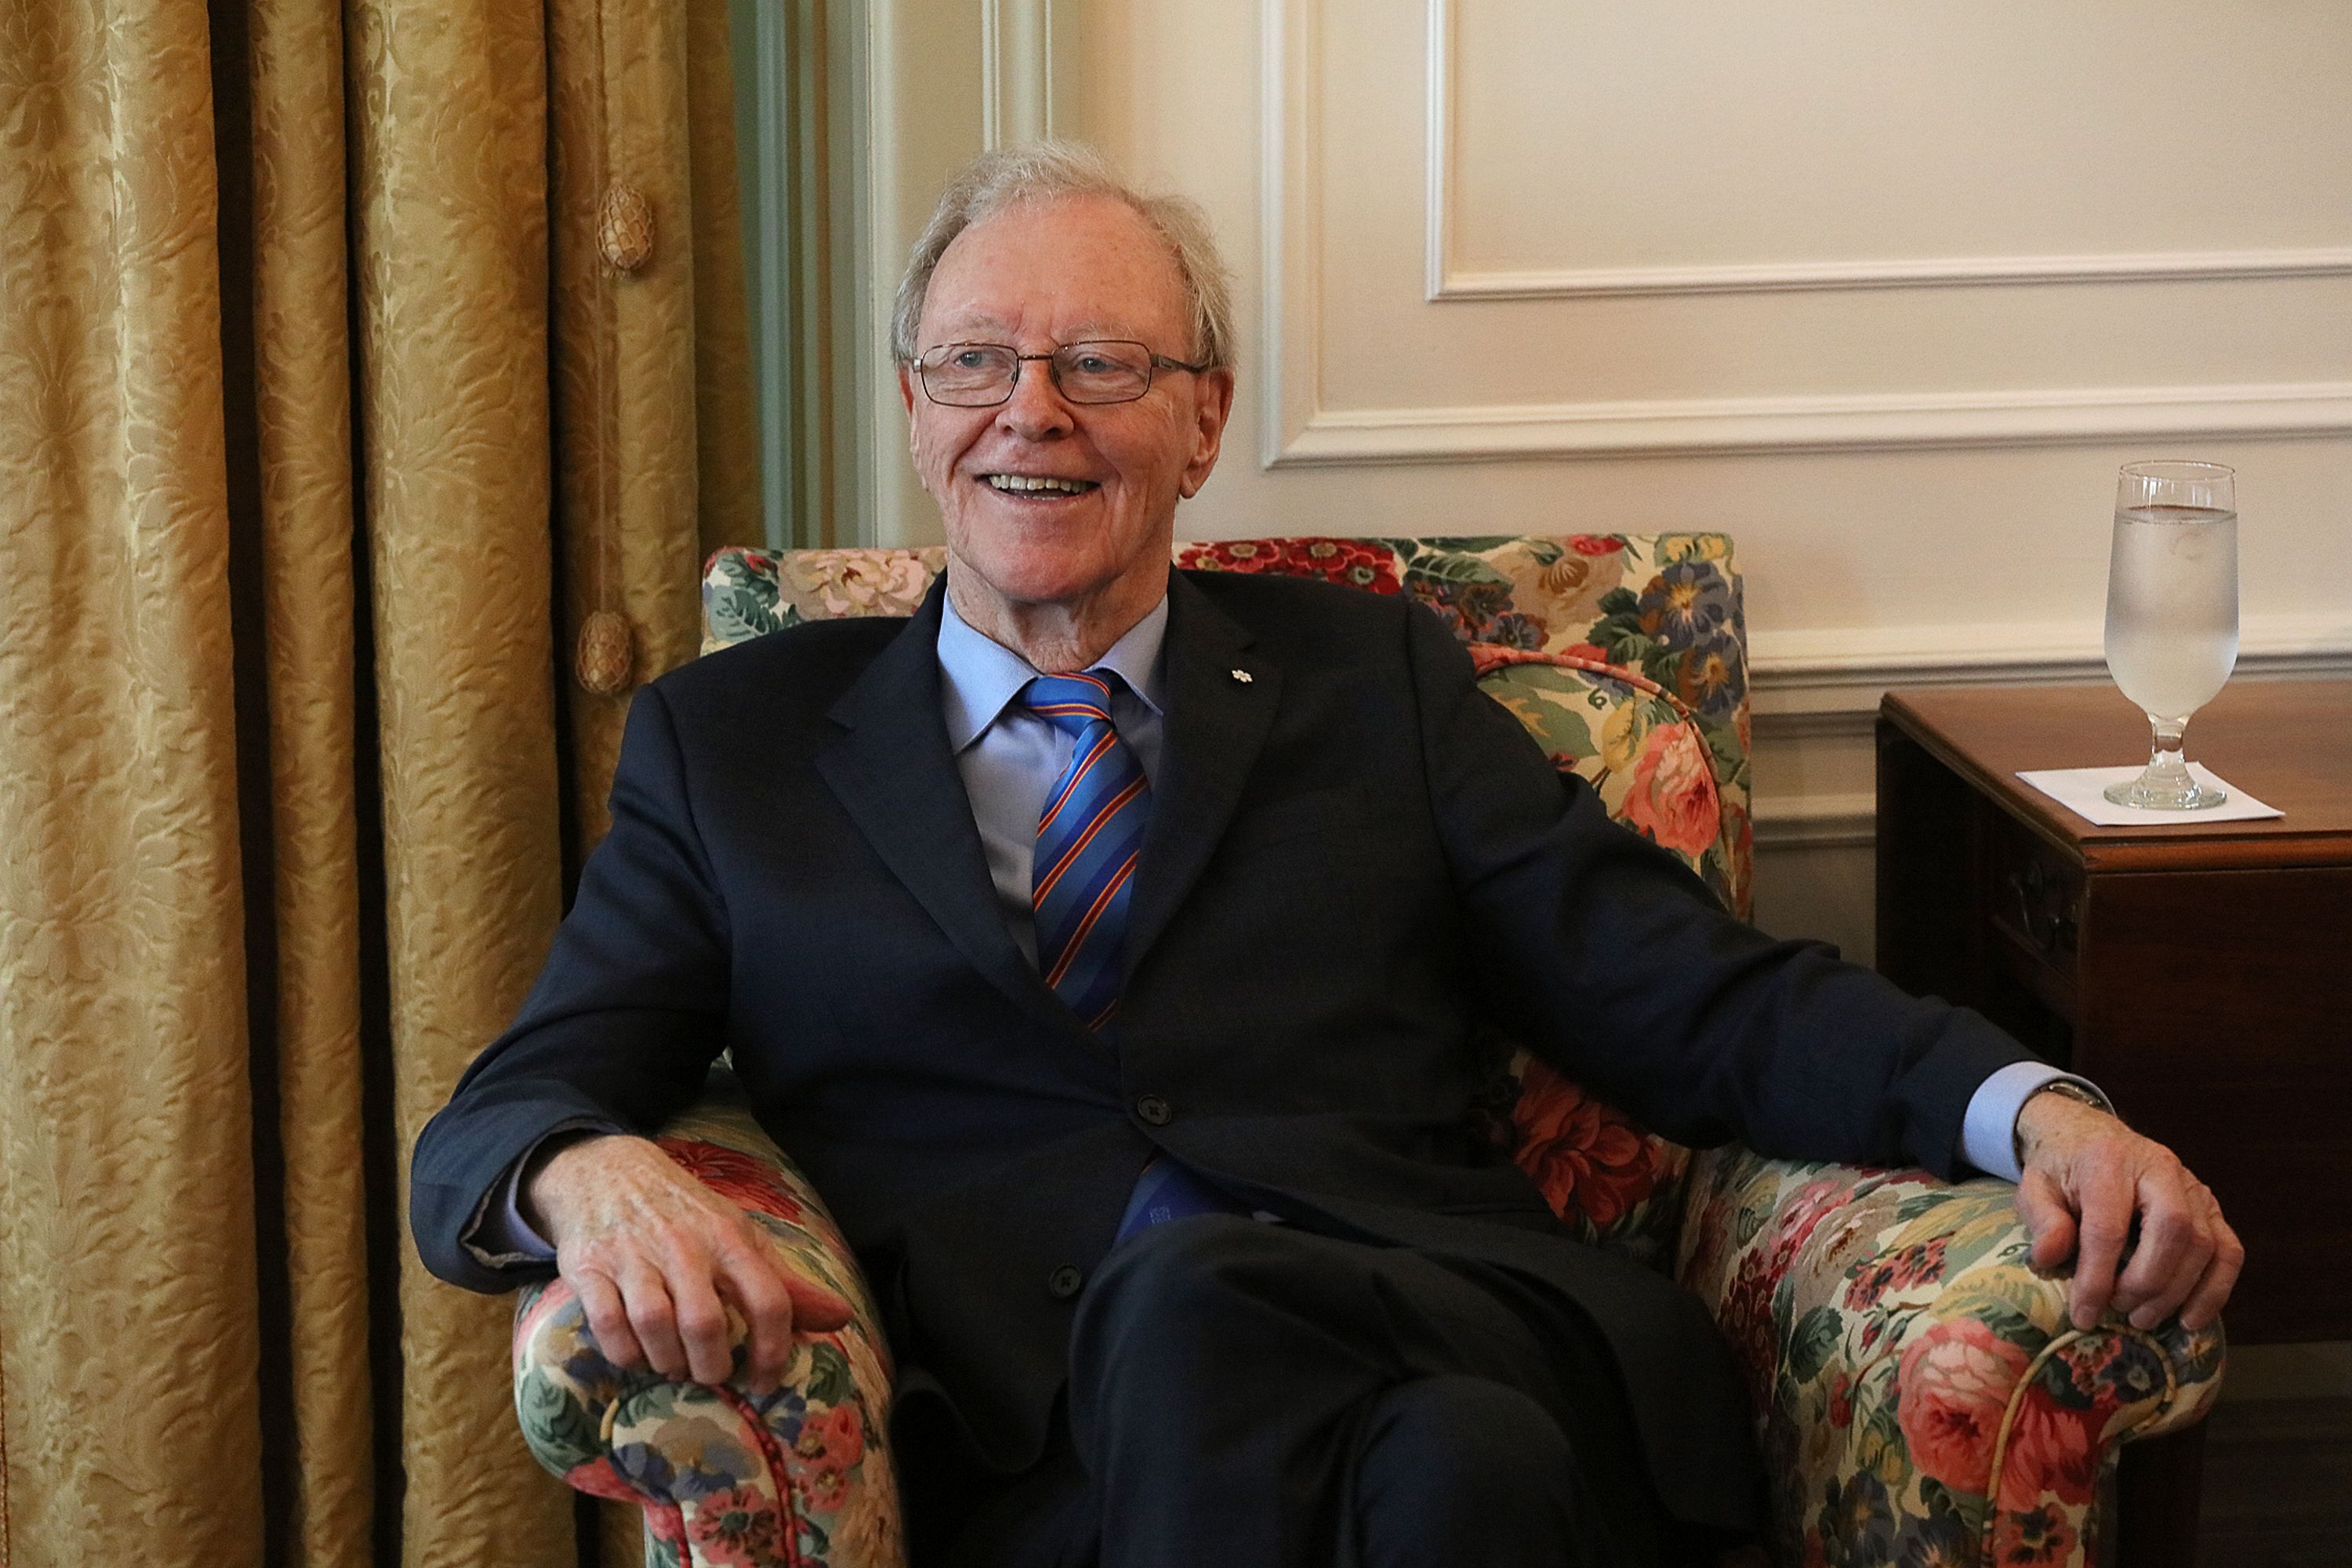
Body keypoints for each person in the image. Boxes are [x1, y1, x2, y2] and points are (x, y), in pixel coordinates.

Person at [412, 142, 2241, 1567]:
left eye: (1101, 361)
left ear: (1204, 420)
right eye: (975, 359)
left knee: (1279, 1326)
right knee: (1457, 1469)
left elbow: (1694, 994)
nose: (1028, 408)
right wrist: (583, 1168)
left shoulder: (1371, 679)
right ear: (913, 409)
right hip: (1053, 1456)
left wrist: (2040, 1110)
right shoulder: (732, 744)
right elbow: (510, 1103)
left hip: (1446, 1298)